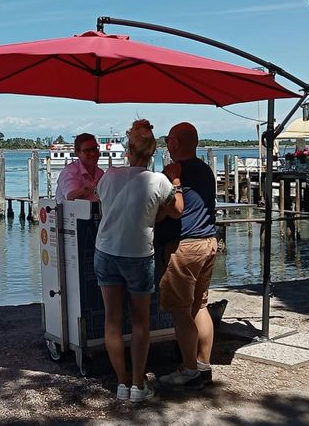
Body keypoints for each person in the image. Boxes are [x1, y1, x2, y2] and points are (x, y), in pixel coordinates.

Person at [94, 119, 183, 403]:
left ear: (128, 151)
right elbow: (177, 210)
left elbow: (108, 208)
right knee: (140, 322)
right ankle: (137, 385)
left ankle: (121, 383)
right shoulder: (159, 181)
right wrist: (177, 183)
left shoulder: (108, 177)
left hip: (106, 251)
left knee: (112, 320)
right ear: (152, 153)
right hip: (138, 254)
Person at [155, 122, 217, 390]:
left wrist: (171, 181)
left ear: (177, 143)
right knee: (199, 305)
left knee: (181, 311)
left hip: (186, 246)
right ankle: (203, 364)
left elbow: (171, 209)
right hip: (208, 241)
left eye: (169, 139)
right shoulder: (205, 169)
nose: (166, 143)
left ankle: (189, 369)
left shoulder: (175, 172)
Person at [54, 133, 104, 203]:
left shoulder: (100, 173)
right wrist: (86, 189)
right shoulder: (70, 171)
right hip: (69, 213)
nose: (93, 153)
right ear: (77, 153)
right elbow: (70, 196)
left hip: (93, 212)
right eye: (87, 151)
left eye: (95, 149)